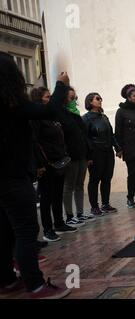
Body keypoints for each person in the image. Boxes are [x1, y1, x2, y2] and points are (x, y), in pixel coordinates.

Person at [0, 51, 72, 298]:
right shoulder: (13, 104)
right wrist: (61, 85)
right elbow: (49, 111)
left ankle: (8, 280)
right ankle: (36, 285)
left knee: (6, 230)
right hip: (12, 176)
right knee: (25, 231)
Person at [30, 88, 75, 242]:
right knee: (46, 197)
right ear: (39, 99)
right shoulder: (36, 118)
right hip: (47, 163)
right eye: (48, 97)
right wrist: (41, 163)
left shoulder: (52, 116)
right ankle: (48, 229)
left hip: (59, 160)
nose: (50, 99)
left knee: (57, 194)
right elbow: (35, 142)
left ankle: (59, 223)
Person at [83, 93, 122, 216]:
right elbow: (85, 138)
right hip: (95, 153)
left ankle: (105, 204)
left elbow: (111, 134)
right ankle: (94, 207)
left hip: (107, 152)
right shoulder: (86, 118)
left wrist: (117, 148)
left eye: (101, 98)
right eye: (97, 99)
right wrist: (88, 156)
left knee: (107, 178)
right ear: (90, 102)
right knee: (94, 180)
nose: (100, 100)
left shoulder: (104, 117)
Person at [60, 87, 93, 227]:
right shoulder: (62, 116)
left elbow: (84, 136)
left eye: (75, 98)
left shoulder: (77, 115)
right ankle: (69, 216)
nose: (74, 101)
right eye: (71, 98)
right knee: (69, 186)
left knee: (79, 185)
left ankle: (80, 213)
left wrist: (87, 155)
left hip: (81, 155)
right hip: (71, 156)